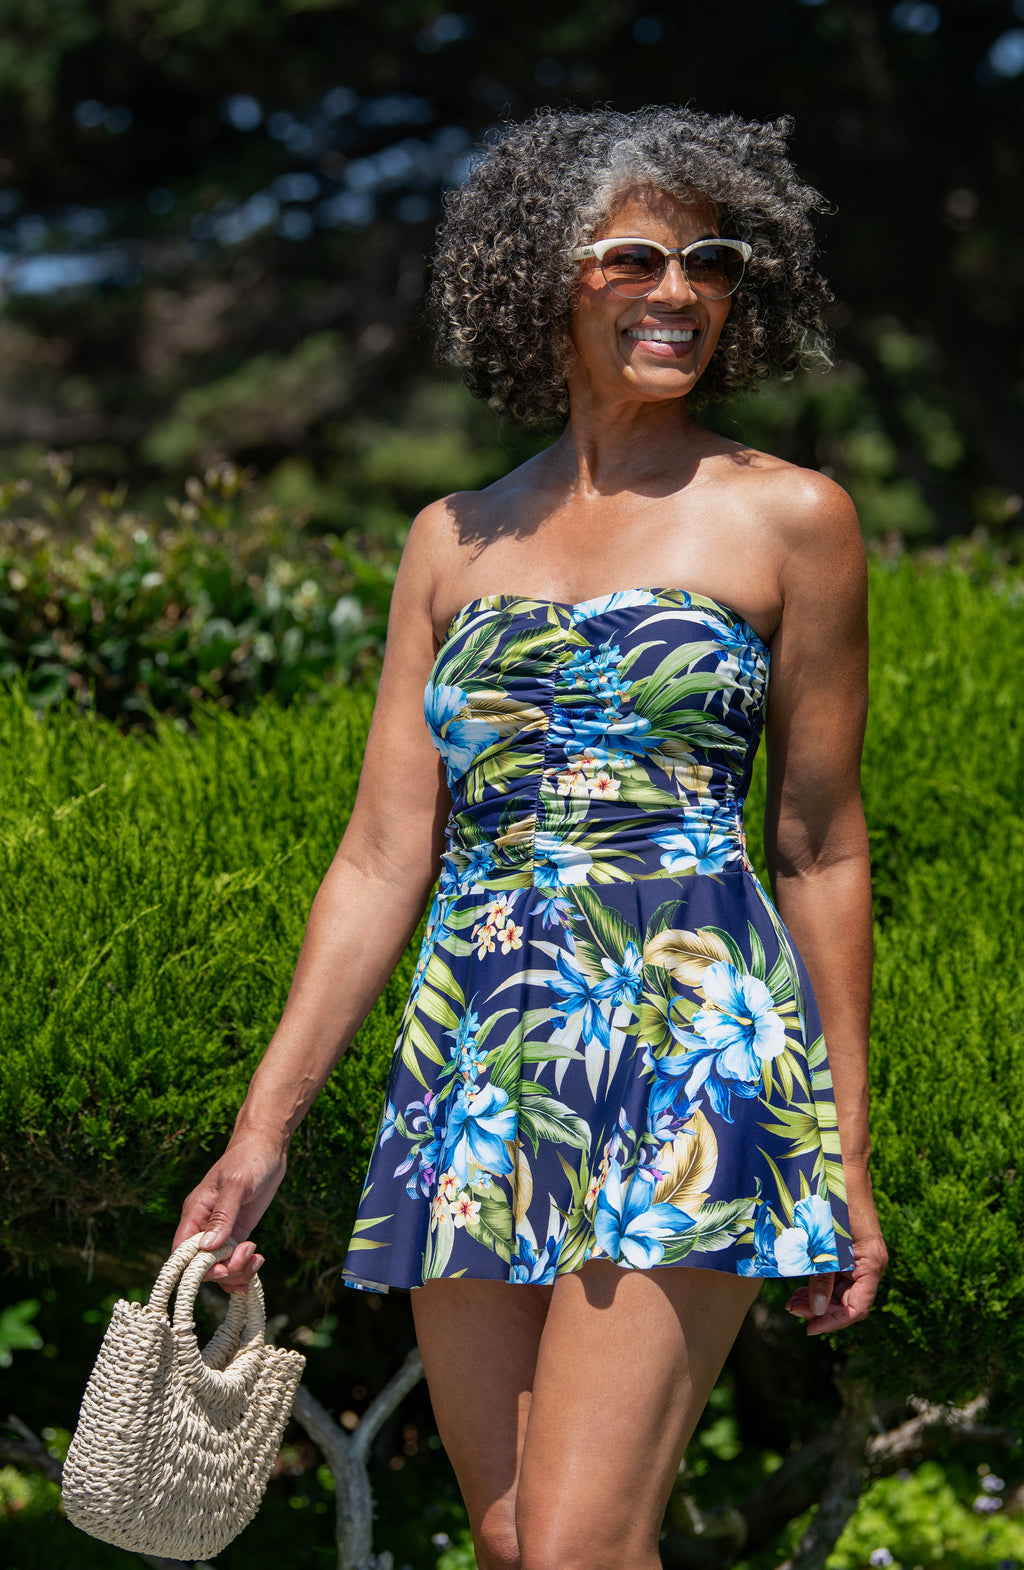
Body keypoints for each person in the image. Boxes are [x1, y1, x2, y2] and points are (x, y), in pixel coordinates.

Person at [176, 106, 887, 1570]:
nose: (678, 290)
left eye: (710, 261)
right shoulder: (452, 539)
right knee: (510, 1543)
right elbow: (383, 855)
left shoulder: (791, 518)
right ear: (542, 280)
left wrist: (846, 1155)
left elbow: (821, 849)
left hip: (692, 1042)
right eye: (634, 257)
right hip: (477, 1056)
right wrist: (261, 1133)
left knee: (574, 1546)